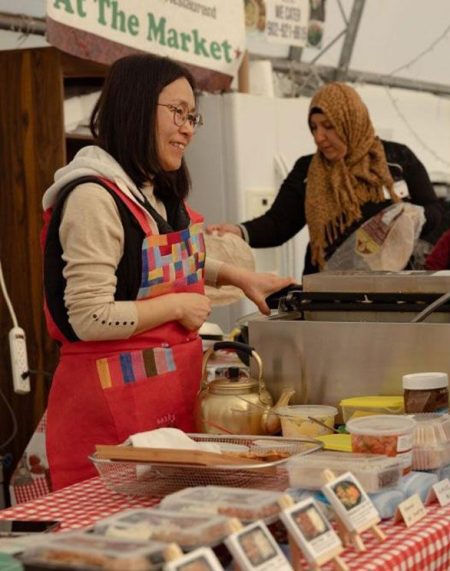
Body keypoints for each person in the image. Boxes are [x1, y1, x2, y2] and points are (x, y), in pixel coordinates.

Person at [41, 54, 292, 490]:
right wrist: (177, 305)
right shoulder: (92, 197)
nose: (188, 128)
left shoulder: (153, 192)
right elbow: (88, 315)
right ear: (135, 107)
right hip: (109, 425)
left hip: (166, 406)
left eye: (193, 116)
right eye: (177, 112)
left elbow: (152, 264)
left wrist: (236, 277)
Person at [207, 82, 441, 275]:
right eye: (314, 127)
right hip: (328, 287)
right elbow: (278, 224)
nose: (320, 137)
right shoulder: (307, 170)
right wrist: (237, 232)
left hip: (392, 285)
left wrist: (410, 216)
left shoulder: (398, 159)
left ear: (351, 121)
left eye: (329, 126)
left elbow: (436, 213)